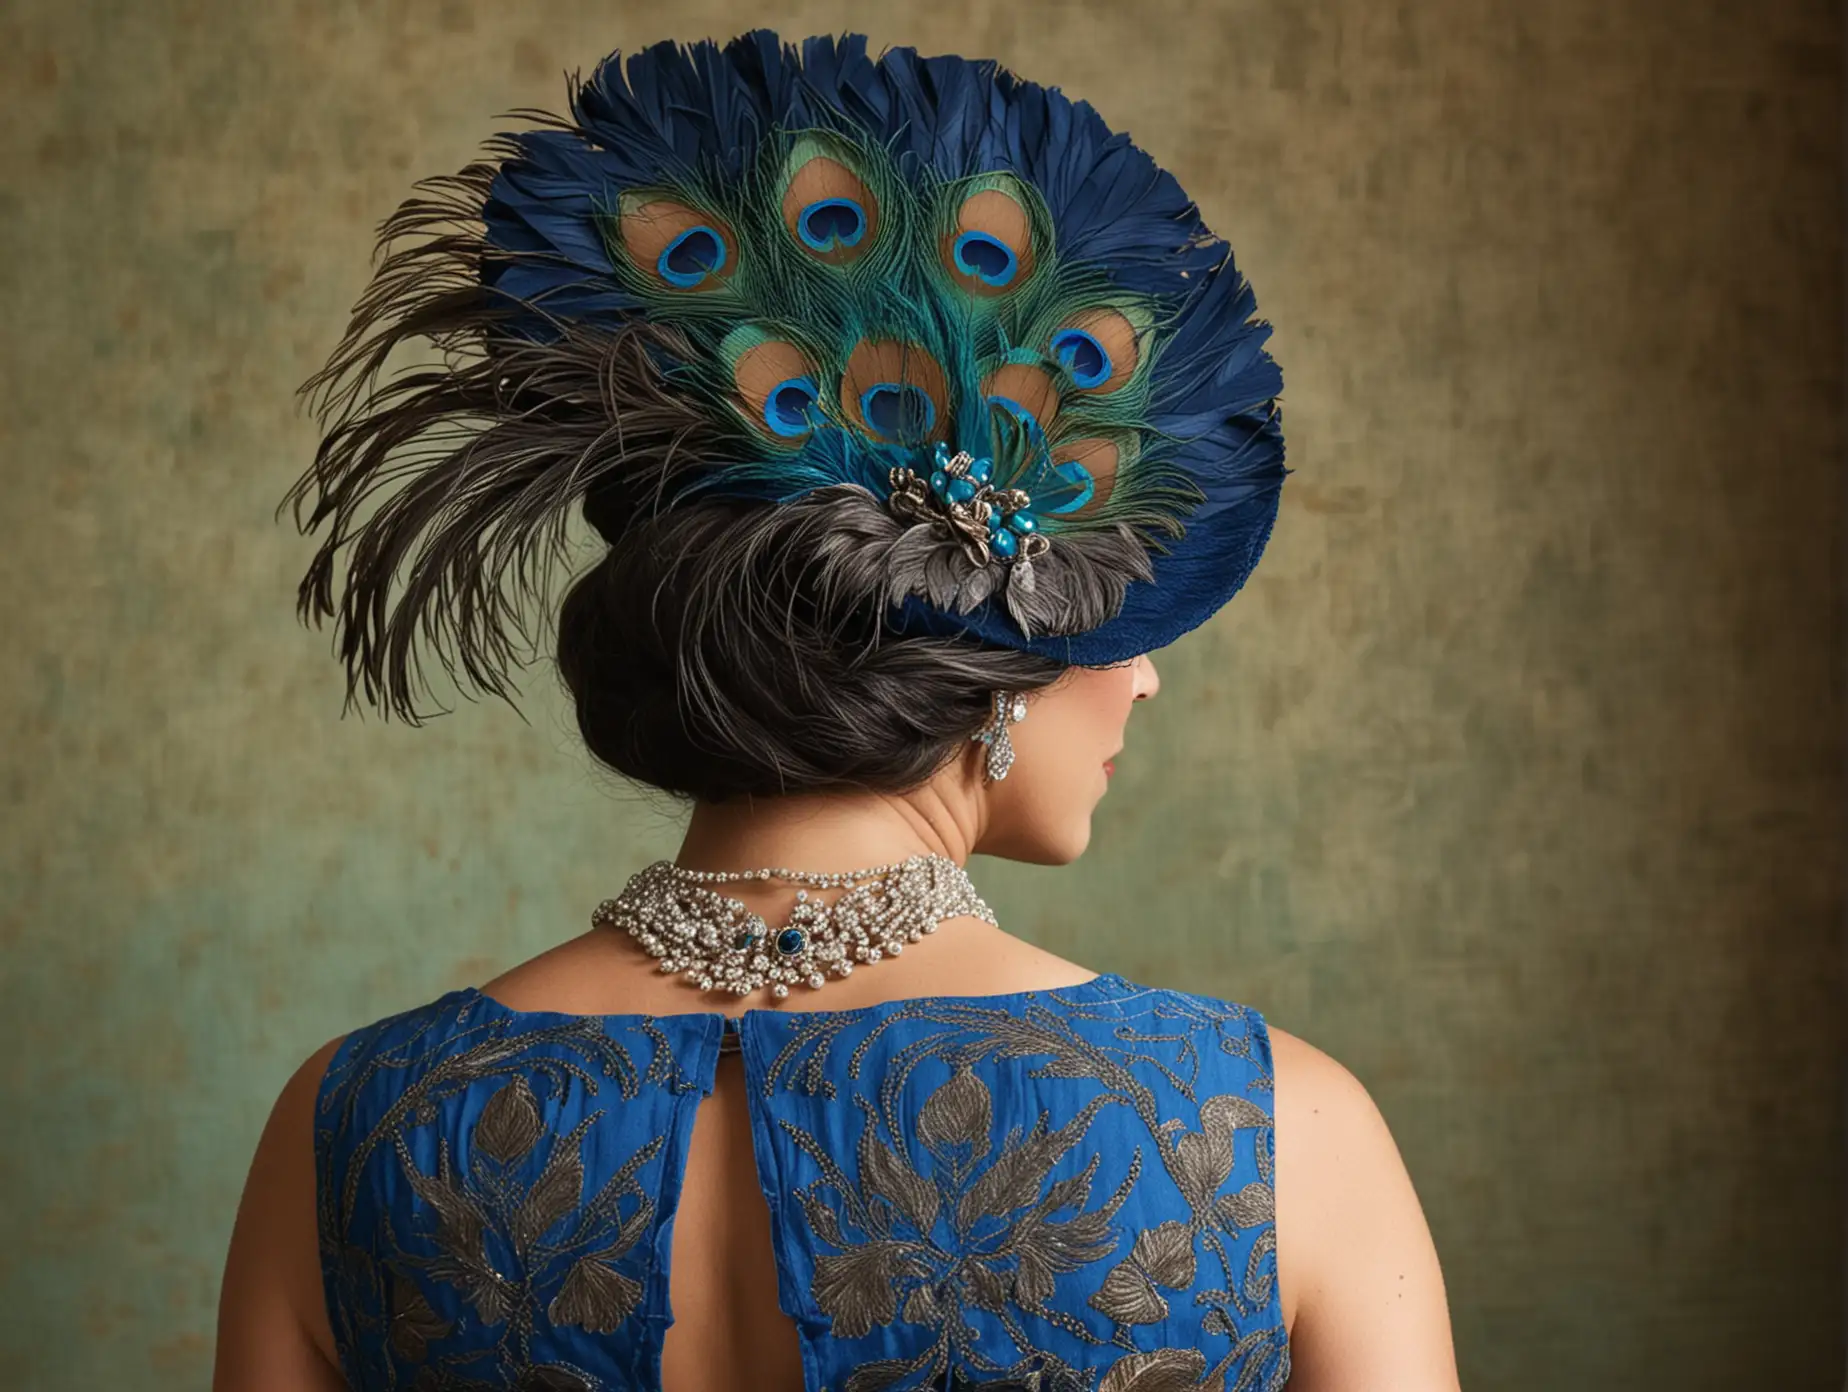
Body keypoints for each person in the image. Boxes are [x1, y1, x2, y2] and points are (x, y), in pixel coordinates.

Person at [213, 29, 1461, 1392]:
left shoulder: (352, 1130)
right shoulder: (1280, 1131)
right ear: (988, 669)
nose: (1147, 677)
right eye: (1132, 632)